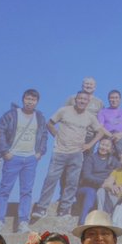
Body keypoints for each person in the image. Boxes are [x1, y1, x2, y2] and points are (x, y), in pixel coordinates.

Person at [33, 91, 105, 220]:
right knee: (51, 179)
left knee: (72, 182)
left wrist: (89, 145)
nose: (82, 101)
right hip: (60, 152)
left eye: (85, 100)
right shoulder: (64, 110)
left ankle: (64, 209)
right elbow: (49, 123)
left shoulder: (89, 117)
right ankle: (42, 207)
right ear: (75, 100)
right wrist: (57, 135)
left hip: (77, 153)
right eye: (80, 99)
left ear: (88, 102)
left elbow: (99, 132)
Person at [0, 89, 49, 233]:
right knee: (5, 190)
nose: (30, 102)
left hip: (30, 159)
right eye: (28, 99)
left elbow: (44, 135)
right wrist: (5, 151)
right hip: (13, 157)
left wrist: (40, 152)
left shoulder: (40, 117)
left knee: (26, 191)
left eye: (33, 100)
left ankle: (23, 222)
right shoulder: (11, 115)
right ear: (23, 99)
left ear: (37, 102)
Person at [76, 136, 118, 224]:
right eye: (102, 144)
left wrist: (111, 185)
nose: (104, 148)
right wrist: (103, 182)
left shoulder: (114, 161)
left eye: (107, 146)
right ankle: (82, 222)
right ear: (98, 145)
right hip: (87, 188)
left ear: (111, 148)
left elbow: (119, 174)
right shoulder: (90, 158)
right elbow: (86, 176)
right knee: (91, 192)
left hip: (104, 189)